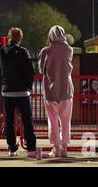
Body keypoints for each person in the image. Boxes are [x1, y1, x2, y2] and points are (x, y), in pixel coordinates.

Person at [0, 28, 37, 158]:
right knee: (27, 121)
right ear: (20, 38)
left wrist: (3, 84)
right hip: (22, 92)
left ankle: (12, 148)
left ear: (9, 37)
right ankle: (31, 149)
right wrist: (28, 87)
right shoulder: (23, 52)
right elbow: (30, 72)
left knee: (9, 121)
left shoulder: (1, 52)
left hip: (7, 93)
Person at [38, 26, 74, 158]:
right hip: (66, 90)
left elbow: (41, 70)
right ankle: (64, 147)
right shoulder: (69, 50)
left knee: (52, 120)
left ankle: (56, 147)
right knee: (65, 120)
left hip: (50, 91)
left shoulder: (45, 51)